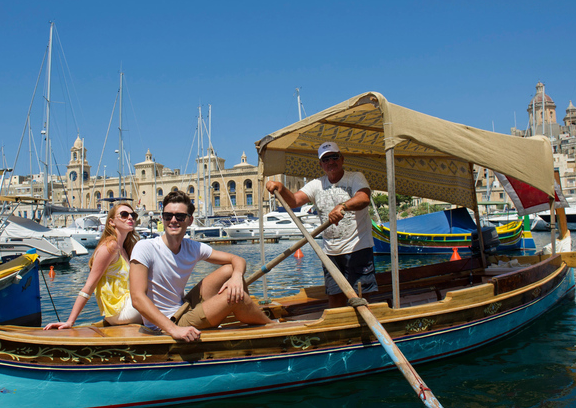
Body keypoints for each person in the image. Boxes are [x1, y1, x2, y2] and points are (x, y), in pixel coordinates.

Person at [129, 191, 271, 342]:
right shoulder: (145, 247)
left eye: (180, 217)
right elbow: (137, 299)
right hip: (168, 322)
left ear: (190, 220)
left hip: (184, 307)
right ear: (162, 218)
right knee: (236, 297)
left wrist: (236, 277)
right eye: (168, 216)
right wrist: (174, 330)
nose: (173, 220)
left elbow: (237, 259)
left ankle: (244, 315)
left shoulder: (192, 247)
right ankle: (271, 326)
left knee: (232, 270)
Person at [266, 141, 376, 308]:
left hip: (357, 249)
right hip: (330, 254)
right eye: (326, 160)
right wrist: (280, 188)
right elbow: (295, 201)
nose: (331, 162)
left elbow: (364, 198)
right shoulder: (316, 184)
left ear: (342, 158)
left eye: (334, 157)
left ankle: (366, 331)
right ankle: (339, 331)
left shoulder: (355, 178)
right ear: (321, 164)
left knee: (362, 299)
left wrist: (343, 206)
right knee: (335, 300)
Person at [45, 203, 143, 330]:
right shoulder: (110, 247)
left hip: (128, 306)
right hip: (120, 311)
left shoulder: (124, 249)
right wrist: (70, 321)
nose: (130, 218)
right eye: (124, 215)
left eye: (133, 215)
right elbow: (89, 285)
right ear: (111, 222)